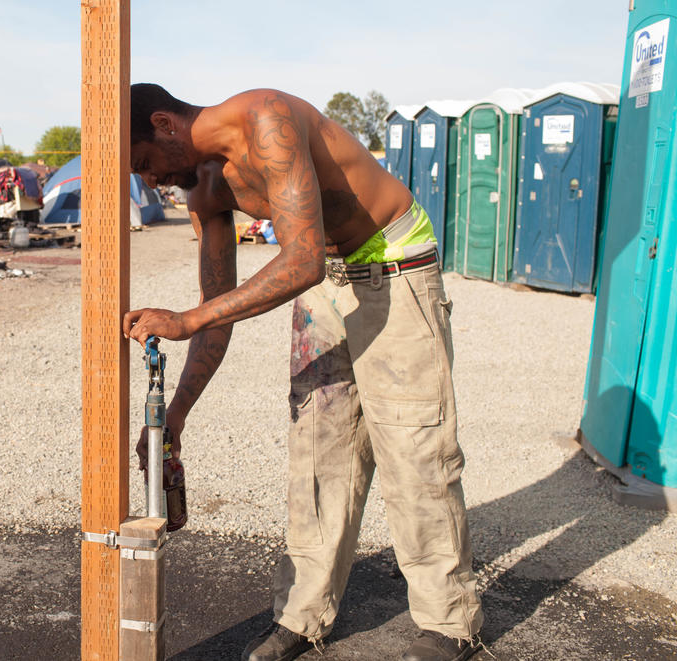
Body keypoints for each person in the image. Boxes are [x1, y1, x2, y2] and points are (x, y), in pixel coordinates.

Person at [123, 84, 483, 661]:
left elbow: (301, 259)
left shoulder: (267, 118)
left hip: (394, 264)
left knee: (413, 447)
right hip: (327, 285)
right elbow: (218, 314)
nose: (149, 183)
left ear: (164, 124)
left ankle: (448, 623)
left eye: (143, 165)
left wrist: (187, 319)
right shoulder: (203, 189)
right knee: (318, 453)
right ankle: (303, 616)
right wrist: (174, 419)